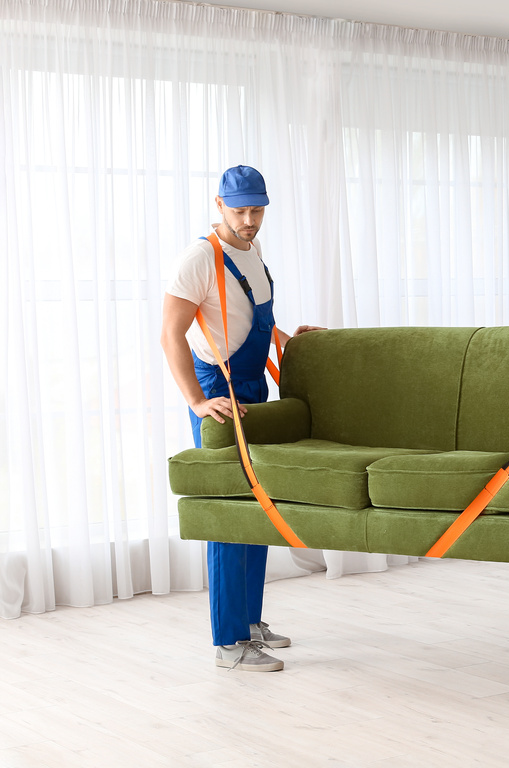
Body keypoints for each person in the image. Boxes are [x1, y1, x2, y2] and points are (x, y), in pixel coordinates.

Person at [160, 165, 323, 672]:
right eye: (240, 211)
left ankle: (251, 623)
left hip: (254, 387)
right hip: (218, 390)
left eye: (258, 211)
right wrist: (194, 401)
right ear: (219, 205)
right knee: (228, 514)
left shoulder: (251, 250)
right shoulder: (198, 259)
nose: (250, 220)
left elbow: (247, 319)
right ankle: (229, 643)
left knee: (258, 509)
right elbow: (171, 334)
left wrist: (288, 340)